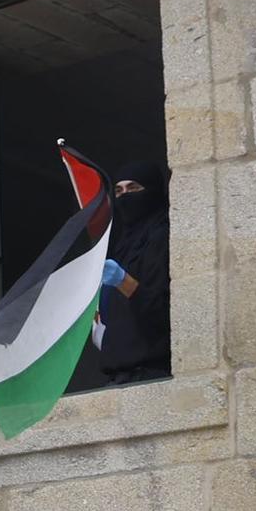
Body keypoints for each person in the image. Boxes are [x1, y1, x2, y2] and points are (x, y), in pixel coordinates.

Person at [98, 160, 172, 386]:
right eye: (119, 191)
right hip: (117, 375)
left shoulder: (162, 236)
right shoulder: (121, 242)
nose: (125, 196)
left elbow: (161, 308)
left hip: (151, 374)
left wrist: (124, 281)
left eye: (133, 188)